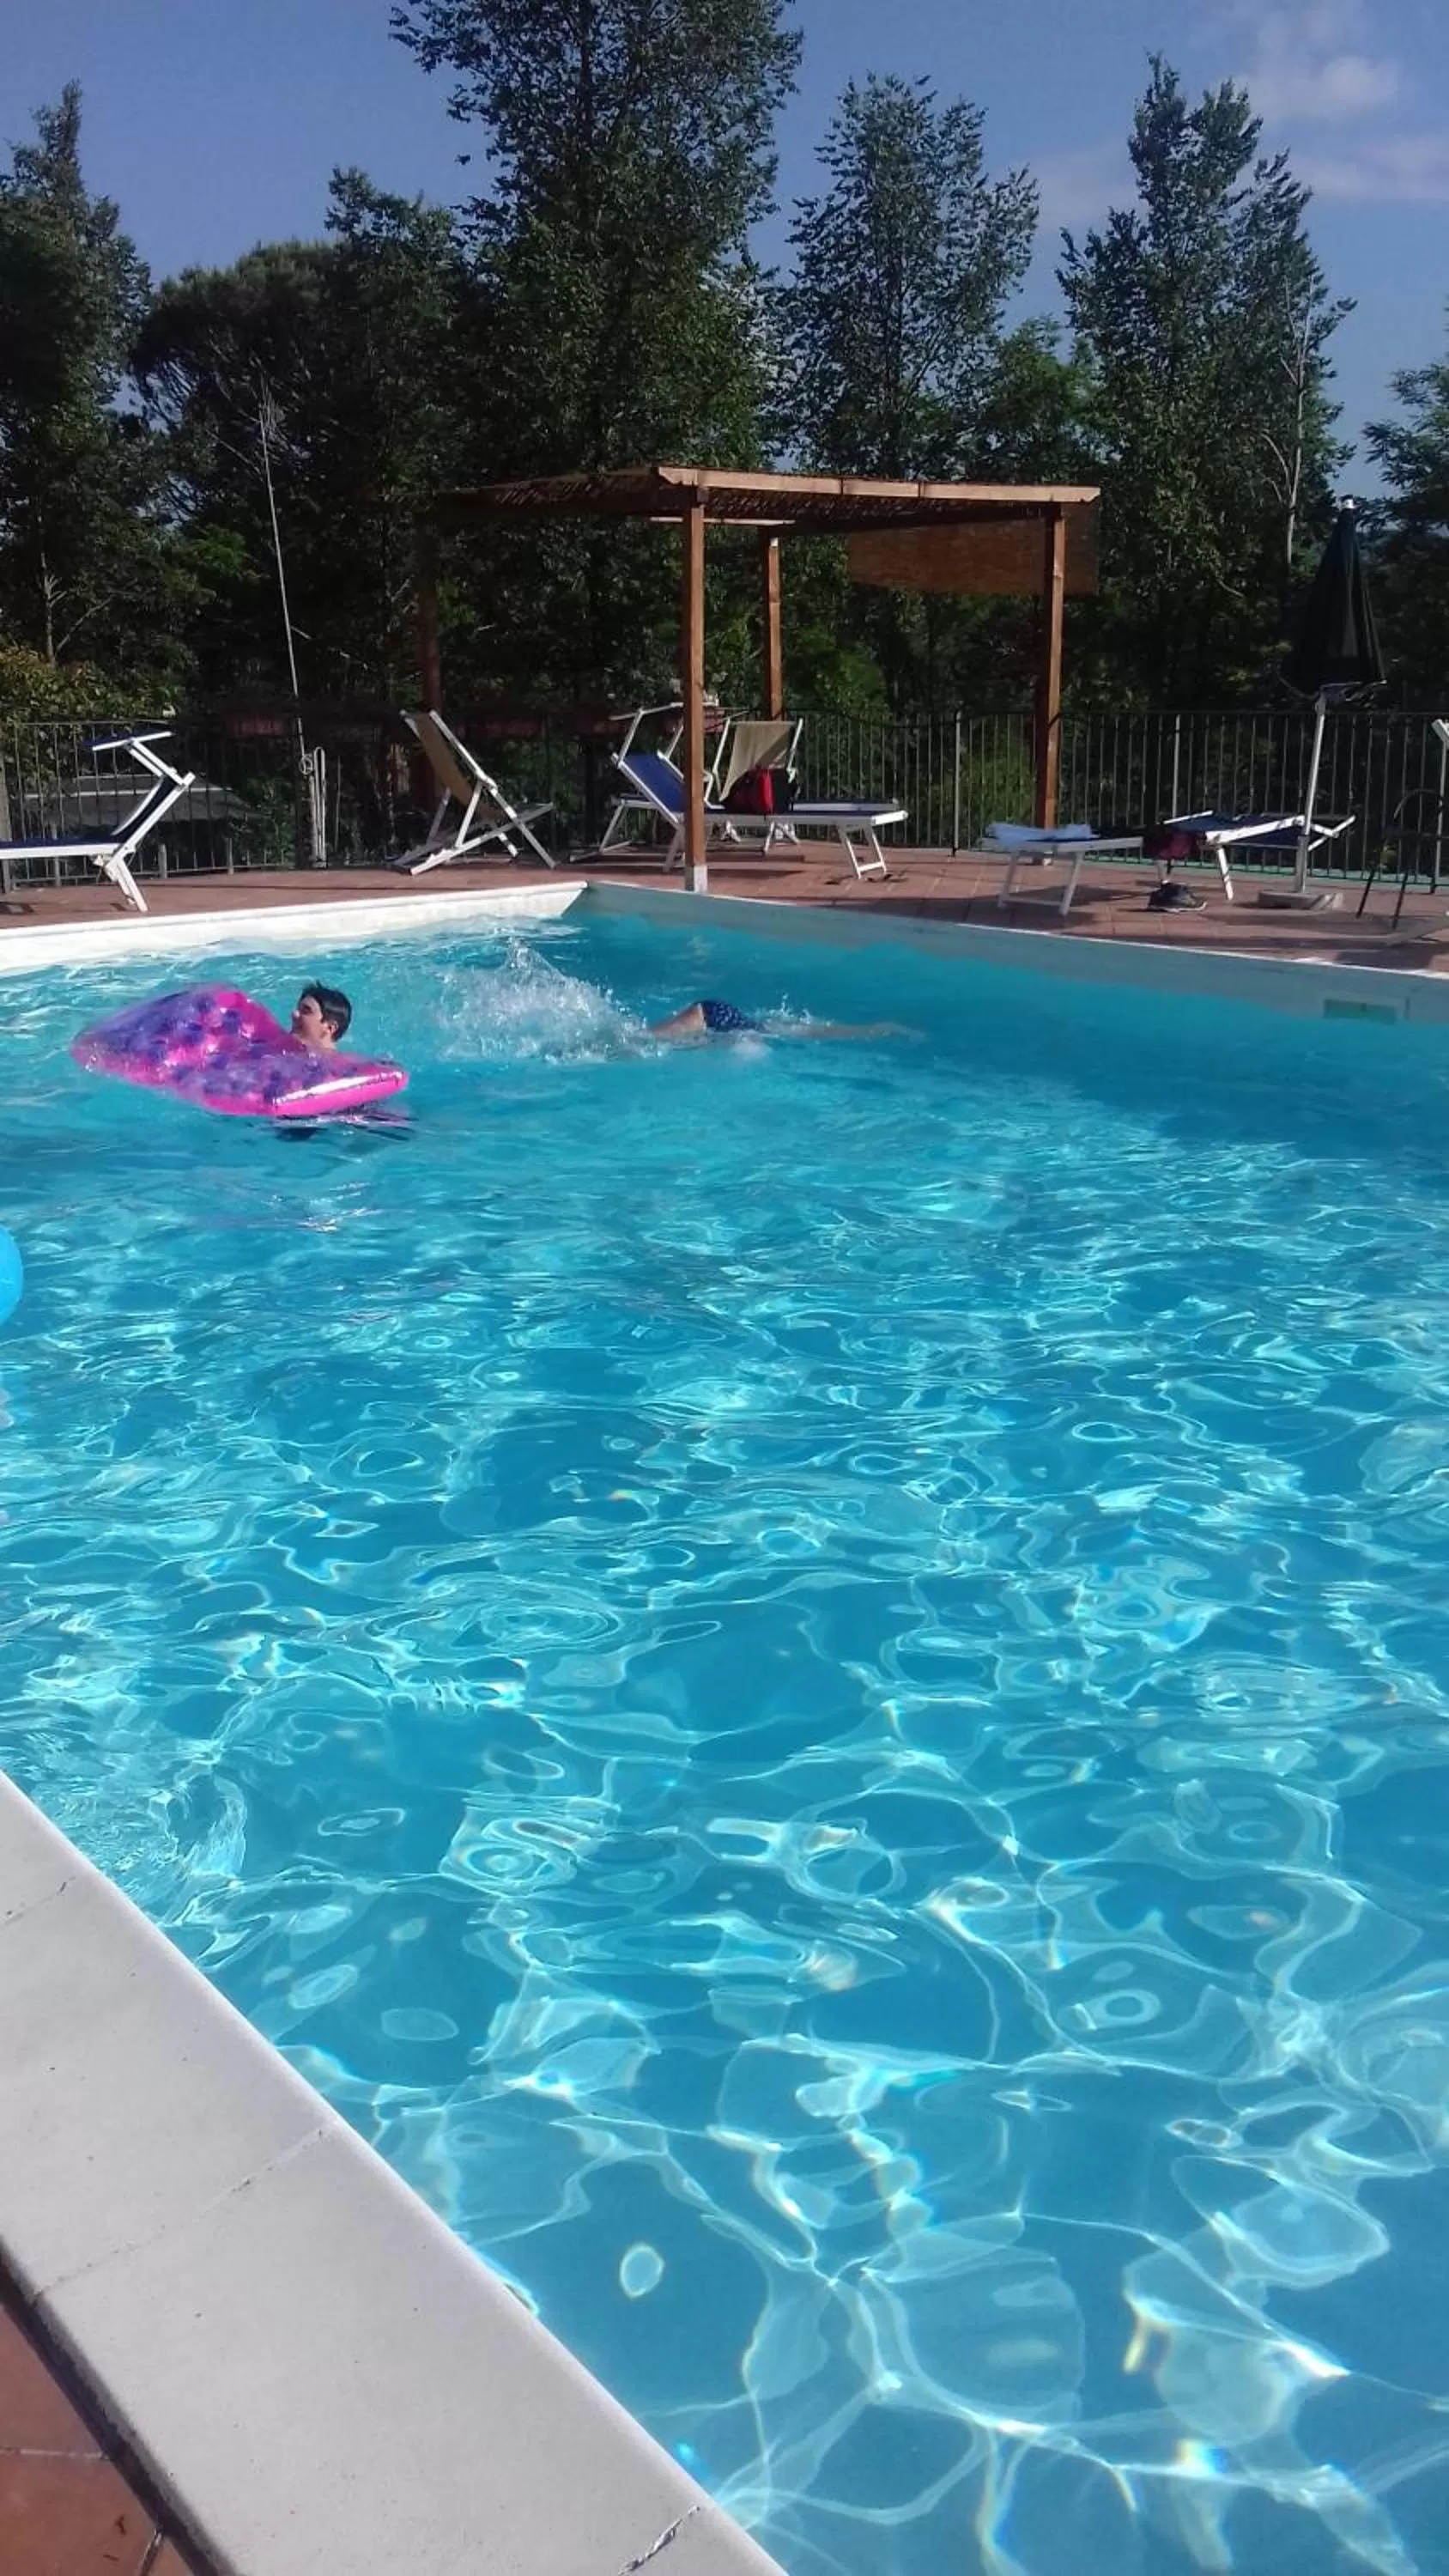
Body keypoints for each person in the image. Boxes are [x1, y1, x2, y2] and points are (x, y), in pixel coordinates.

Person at [649, 997, 911, 1043]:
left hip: (712, 1015)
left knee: (643, 1039)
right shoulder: (772, 1031)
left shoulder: (769, 1030)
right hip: (712, 1016)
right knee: (642, 1040)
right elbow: (828, 1032)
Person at [290, 983, 352, 1049]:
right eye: (298, 1009)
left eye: (306, 1011)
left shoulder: (338, 1060)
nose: (294, 1014)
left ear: (329, 1028)